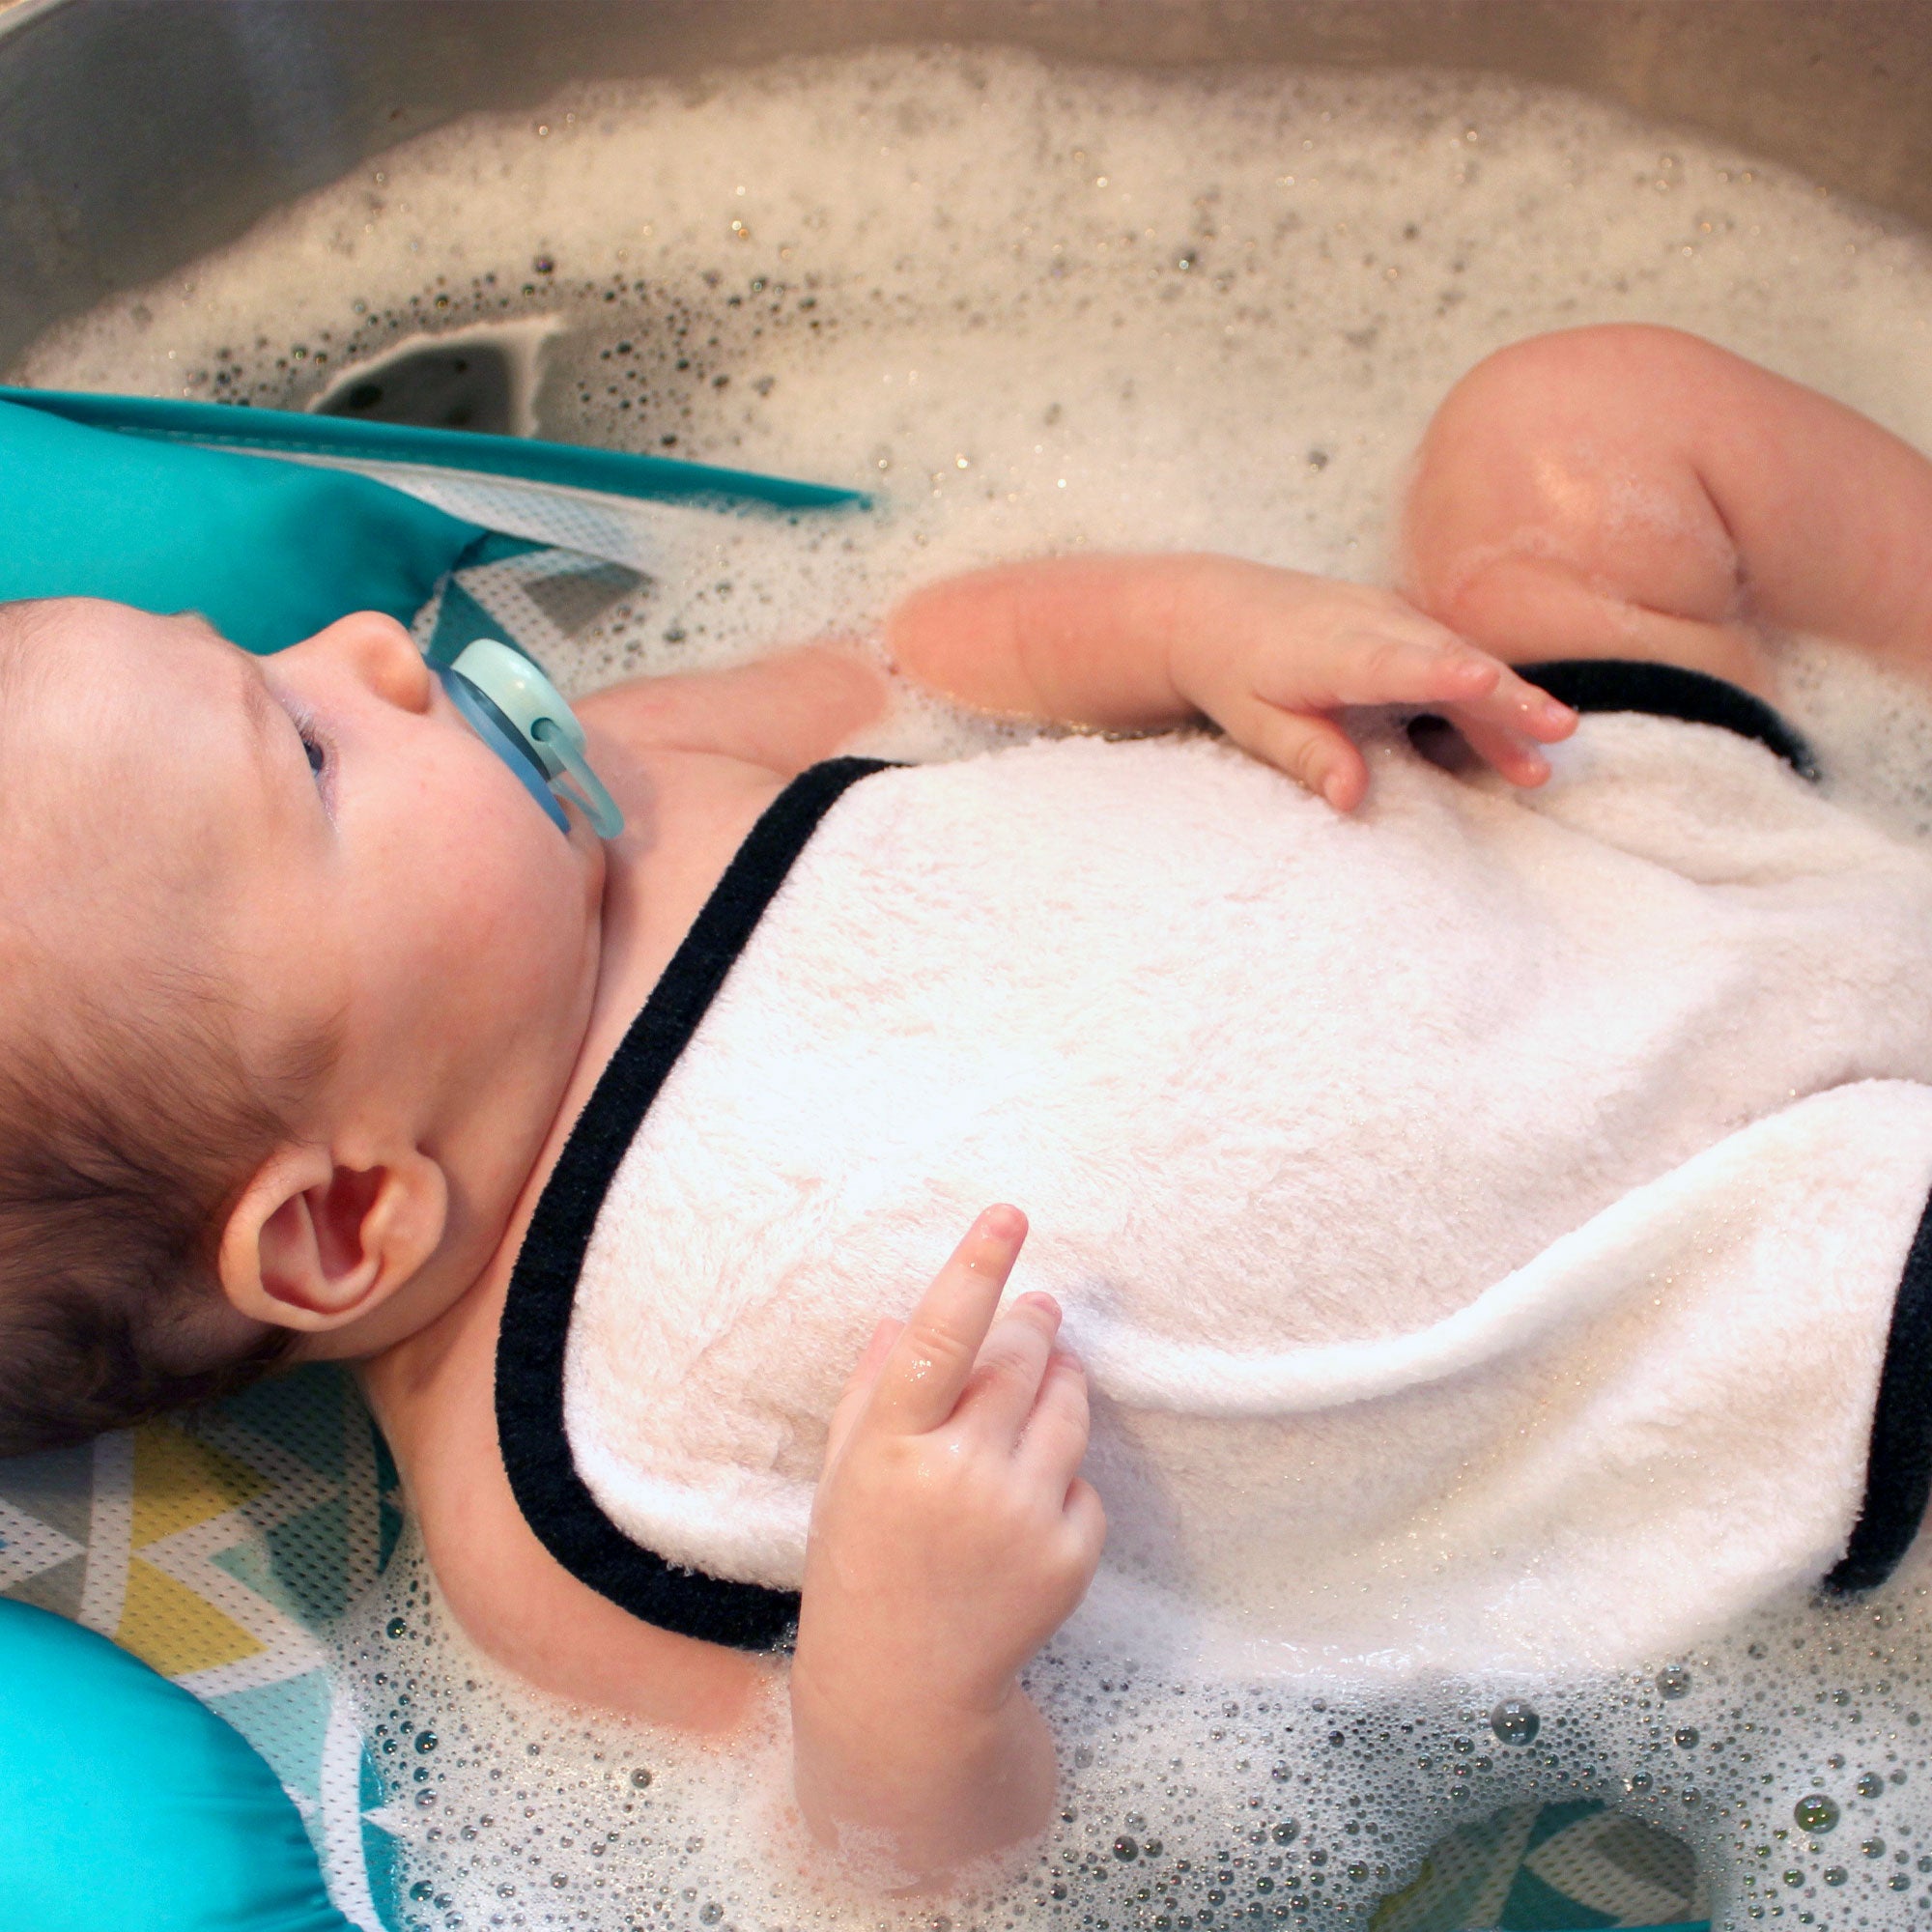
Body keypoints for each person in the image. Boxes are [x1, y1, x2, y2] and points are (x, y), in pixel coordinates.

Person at [4, 324, 1932, 1888]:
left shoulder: (628, 772)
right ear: (347, 1225)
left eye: (266, 659)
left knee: (1570, 427)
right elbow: (870, 1861)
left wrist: (1189, 626)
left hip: (1589, 819)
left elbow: (917, 647)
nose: (361, 649)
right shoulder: (561, 1502)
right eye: (312, 755)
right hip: (1741, 1294)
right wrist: (898, 1671)